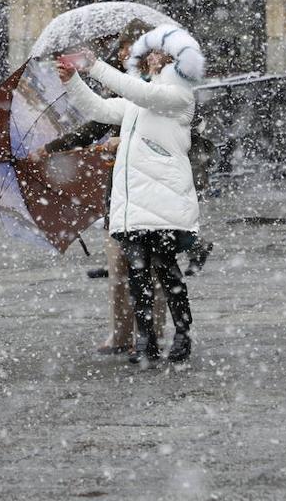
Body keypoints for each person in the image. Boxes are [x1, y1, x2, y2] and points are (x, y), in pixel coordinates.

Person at [57, 24, 206, 366]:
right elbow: (100, 109)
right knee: (137, 272)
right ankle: (146, 337)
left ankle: (182, 333)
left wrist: (93, 65)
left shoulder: (178, 95)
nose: (150, 57)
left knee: (166, 270)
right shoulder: (140, 98)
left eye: (157, 52)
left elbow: (140, 94)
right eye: (149, 52)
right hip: (134, 201)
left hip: (165, 198)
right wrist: (72, 81)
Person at [30, 21, 167, 355]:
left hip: (154, 188)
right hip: (119, 188)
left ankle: (150, 334)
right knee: (118, 264)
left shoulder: (165, 91)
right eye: (122, 47)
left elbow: (173, 136)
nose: (125, 53)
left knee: (154, 267)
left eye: (133, 47)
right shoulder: (121, 91)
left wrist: (130, 141)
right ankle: (121, 333)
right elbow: (96, 119)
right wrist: (52, 148)